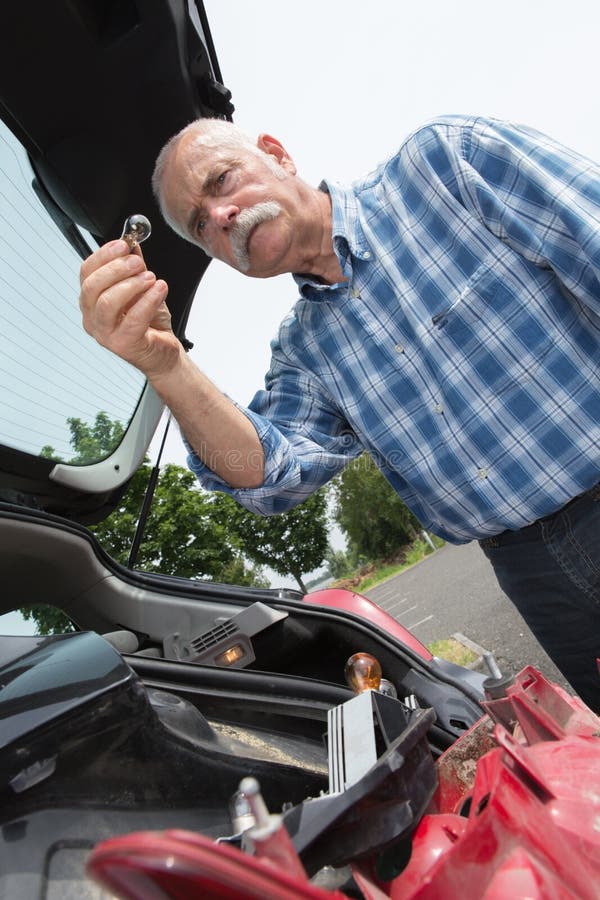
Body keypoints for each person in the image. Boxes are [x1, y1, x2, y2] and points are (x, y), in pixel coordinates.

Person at [79, 114, 600, 712]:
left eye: (222, 181)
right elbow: (269, 478)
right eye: (200, 225)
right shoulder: (304, 351)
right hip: (535, 574)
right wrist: (166, 366)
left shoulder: (445, 165)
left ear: (278, 154)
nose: (220, 216)